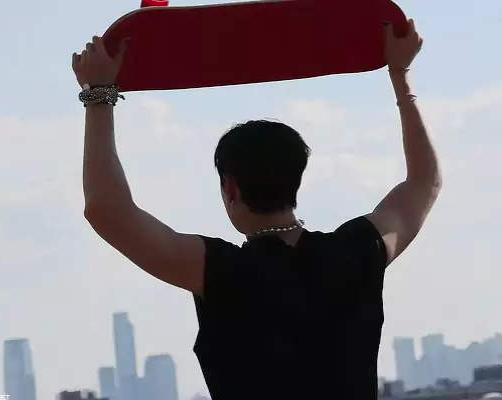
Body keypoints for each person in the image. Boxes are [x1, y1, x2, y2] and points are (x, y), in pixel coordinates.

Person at [72, 19, 440, 400]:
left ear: (230, 188)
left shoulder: (219, 270)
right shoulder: (360, 251)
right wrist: (401, 75)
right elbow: (424, 181)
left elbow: (106, 209)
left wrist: (98, 95)